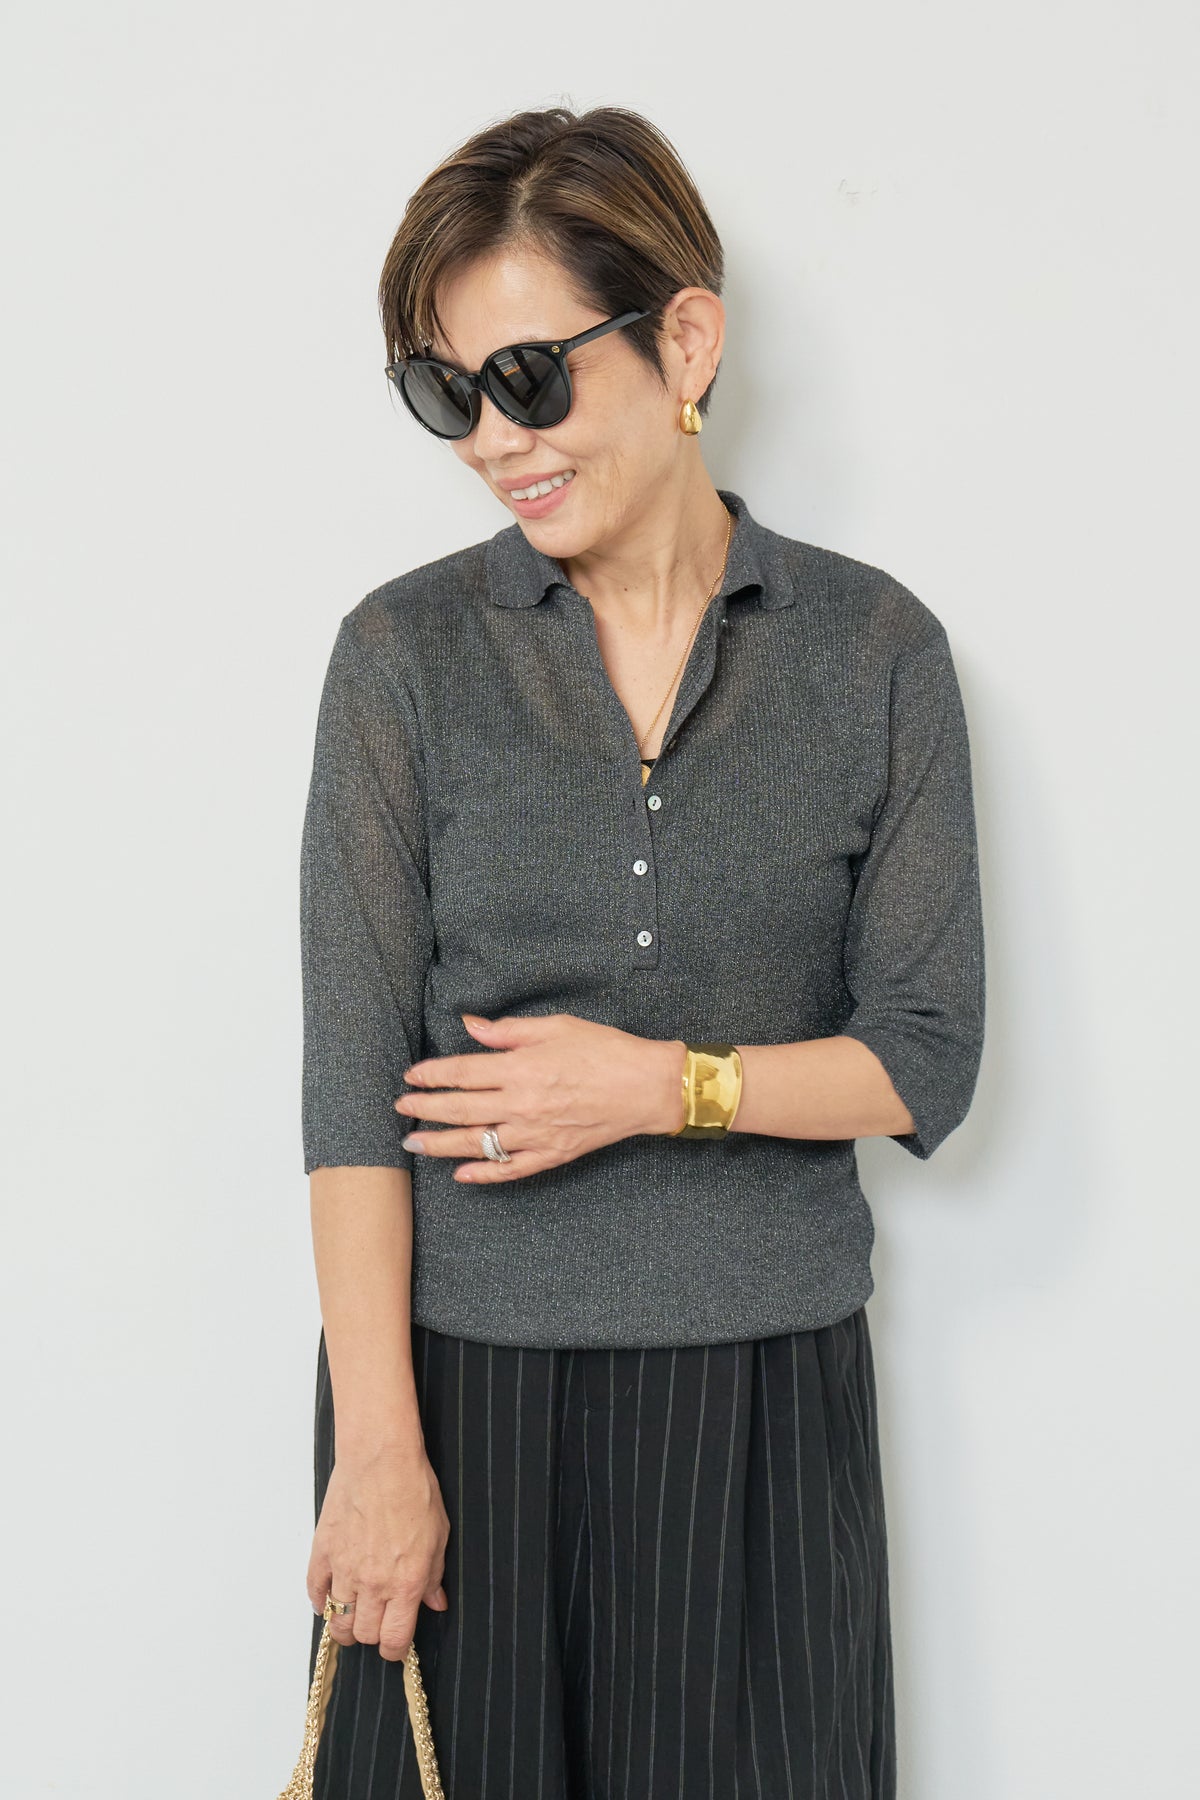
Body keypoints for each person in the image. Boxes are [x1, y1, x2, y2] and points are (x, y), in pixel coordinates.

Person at [298, 104, 985, 1800]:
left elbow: (925, 1058)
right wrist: (377, 1452)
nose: (493, 441)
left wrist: (663, 1086)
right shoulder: (402, 658)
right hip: (459, 1402)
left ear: (684, 339)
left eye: (529, 379)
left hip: (763, 1407)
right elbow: (349, 1091)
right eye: (447, 395)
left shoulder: (876, 652)